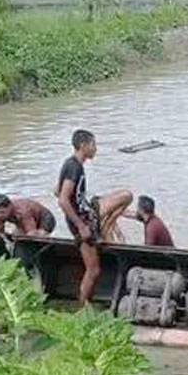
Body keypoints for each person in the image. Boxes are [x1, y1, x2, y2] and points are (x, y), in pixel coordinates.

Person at [56, 129, 133, 303]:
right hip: (83, 222)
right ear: (83, 145)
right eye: (93, 144)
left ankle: (105, 227)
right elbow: (62, 200)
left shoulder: (73, 164)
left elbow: (57, 190)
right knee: (94, 270)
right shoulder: (73, 167)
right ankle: (83, 307)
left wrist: (80, 202)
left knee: (126, 195)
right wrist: (81, 226)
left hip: (88, 212)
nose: (95, 148)